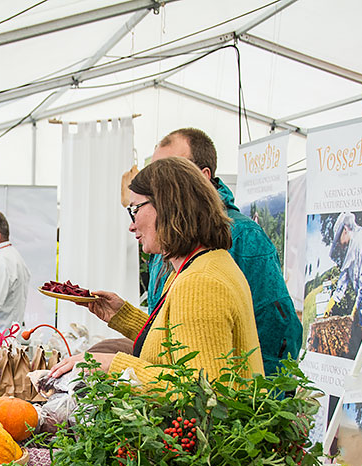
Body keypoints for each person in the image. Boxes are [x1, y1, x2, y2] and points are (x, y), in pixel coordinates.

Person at [50, 157, 263, 383]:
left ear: (168, 206)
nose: (131, 225)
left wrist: (110, 364)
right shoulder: (201, 266)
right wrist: (122, 316)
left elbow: (203, 393)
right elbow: (179, 345)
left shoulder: (200, 282)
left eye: (135, 209)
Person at [143, 128, 301, 375]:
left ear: (203, 176)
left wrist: (260, 398)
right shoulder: (169, 236)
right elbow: (170, 328)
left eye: (171, 171)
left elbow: (275, 326)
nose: (155, 186)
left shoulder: (244, 236)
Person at [325, 211, 362, 348]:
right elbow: (343, 278)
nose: (339, 244)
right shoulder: (352, 246)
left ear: (345, 230)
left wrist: (356, 308)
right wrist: (333, 301)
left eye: (338, 238)